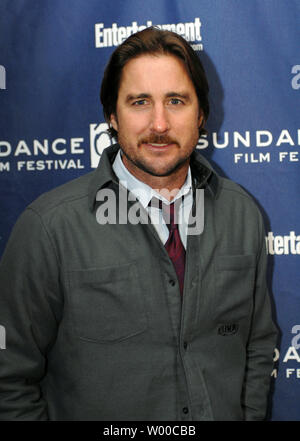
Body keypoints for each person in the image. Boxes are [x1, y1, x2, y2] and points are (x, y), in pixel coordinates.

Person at [0, 27, 277, 421]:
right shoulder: (49, 228)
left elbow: (257, 343)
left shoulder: (242, 214)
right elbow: (9, 378)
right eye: (140, 102)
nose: (159, 124)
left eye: (176, 101)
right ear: (112, 116)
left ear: (201, 114)